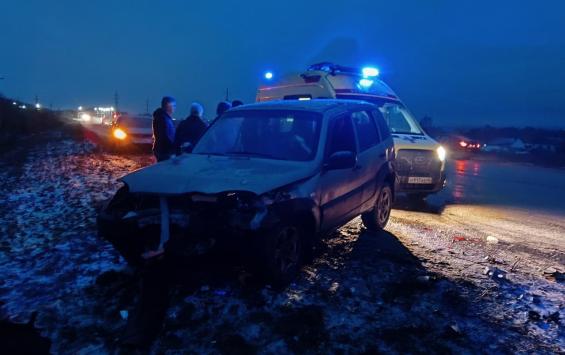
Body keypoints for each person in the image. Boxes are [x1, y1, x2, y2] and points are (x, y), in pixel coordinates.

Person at [152, 96, 176, 161]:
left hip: (163, 150)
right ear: (168, 105)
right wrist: (174, 147)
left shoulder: (164, 117)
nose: (175, 108)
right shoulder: (162, 118)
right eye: (174, 105)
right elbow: (164, 136)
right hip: (164, 151)